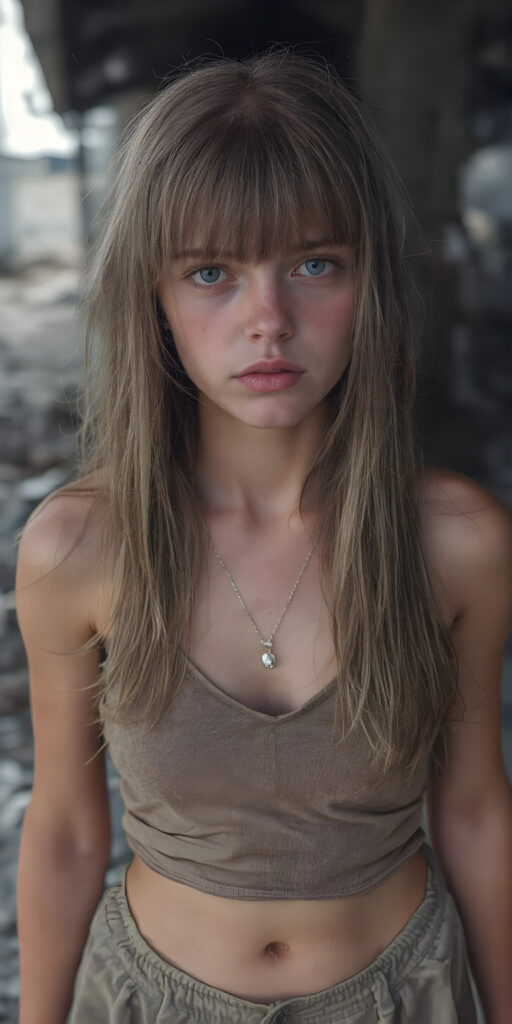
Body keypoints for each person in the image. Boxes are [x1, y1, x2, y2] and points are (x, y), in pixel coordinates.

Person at [14, 49, 512, 1024]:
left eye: (312, 264)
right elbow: (69, 831)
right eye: (211, 272)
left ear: (368, 281)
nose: (267, 321)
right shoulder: (79, 547)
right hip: (152, 1001)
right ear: (152, 299)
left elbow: (473, 808)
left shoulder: (453, 539)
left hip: (400, 996)